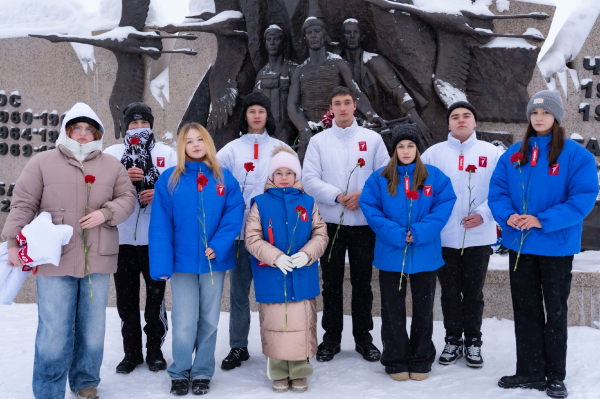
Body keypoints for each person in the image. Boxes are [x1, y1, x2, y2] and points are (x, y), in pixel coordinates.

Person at [2, 102, 136, 399]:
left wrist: (107, 213)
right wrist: (12, 241)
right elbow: (23, 203)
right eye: (77, 128)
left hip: (97, 258)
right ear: (66, 129)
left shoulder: (111, 166)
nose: (84, 134)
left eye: (90, 130)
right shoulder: (41, 162)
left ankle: (85, 380)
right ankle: (49, 389)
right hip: (54, 258)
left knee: (93, 327)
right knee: (54, 331)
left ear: (97, 133)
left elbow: (128, 198)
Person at [489, 90, 599, 399]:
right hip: (521, 246)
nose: (539, 118)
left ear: (556, 117)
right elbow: (497, 190)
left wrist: (542, 219)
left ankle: (555, 376)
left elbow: (582, 198)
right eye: (535, 113)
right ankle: (529, 371)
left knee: (555, 312)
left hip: (556, 246)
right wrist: (507, 215)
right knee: (526, 310)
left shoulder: (576, 156)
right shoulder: (513, 153)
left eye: (546, 113)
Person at [149, 123, 244, 396]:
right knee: (184, 319)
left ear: (208, 143)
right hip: (182, 263)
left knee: (210, 320)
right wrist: (162, 264)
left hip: (214, 261)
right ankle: (180, 370)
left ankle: (202, 371)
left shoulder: (224, 178)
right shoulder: (169, 180)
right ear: (182, 147)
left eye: (200, 139)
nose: (195, 145)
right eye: (189, 141)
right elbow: (160, 225)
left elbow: (234, 214)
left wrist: (219, 244)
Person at [360, 123, 456, 382]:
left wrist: (421, 231)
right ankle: (396, 359)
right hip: (392, 254)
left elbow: (444, 204)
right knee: (393, 310)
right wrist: (396, 233)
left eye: (410, 145)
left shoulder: (434, 176)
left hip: (425, 253)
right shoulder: (379, 178)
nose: (405, 150)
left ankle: (421, 359)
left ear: (417, 148)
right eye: (400, 146)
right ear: (394, 150)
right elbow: (370, 207)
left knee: (424, 310)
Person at [302, 86, 390, 362]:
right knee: (331, 284)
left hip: (364, 224)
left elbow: (385, 176)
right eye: (337, 103)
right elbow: (309, 179)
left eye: (347, 102)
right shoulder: (319, 142)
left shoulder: (373, 139)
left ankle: (364, 338)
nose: (342, 108)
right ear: (331, 109)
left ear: (355, 106)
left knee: (363, 284)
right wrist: (338, 196)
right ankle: (331, 339)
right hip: (331, 225)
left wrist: (363, 196)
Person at [421, 101, 501, 368]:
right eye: (455, 117)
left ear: (475, 122)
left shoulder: (491, 153)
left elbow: (501, 192)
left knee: (474, 293)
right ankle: (453, 339)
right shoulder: (433, 154)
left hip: (478, 237)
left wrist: (484, 214)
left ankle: (474, 342)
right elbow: (421, 192)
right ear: (448, 124)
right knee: (450, 293)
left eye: (467, 115)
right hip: (444, 237)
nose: (461, 120)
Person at [244, 145, 328, 393]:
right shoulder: (260, 203)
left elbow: (320, 233)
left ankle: (300, 371)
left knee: (302, 323)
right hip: (272, 275)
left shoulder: (308, 202)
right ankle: (279, 370)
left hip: (303, 274)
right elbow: (252, 238)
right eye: (278, 172)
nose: (283, 177)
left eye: (288, 172)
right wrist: (275, 257)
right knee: (276, 323)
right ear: (270, 176)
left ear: (296, 176)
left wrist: (307, 254)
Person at [216, 93, 291, 371]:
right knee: (238, 293)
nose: (257, 116)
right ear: (245, 116)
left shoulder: (281, 148)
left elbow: (292, 189)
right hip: (239, 235)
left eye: (261, 111)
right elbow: (217, 187)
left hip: (271, 237)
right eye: (252, 111)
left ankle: (277, 347)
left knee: (272, 292)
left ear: (267, 115)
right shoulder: (230, 150)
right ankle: (238, 346)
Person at [104, 102, 177, 374]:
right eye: (133, 123)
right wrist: (122, 179)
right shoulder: (111, 153)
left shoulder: (167, 153)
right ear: (125, 126)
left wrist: (159, 193)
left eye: (143, 123)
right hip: (121, 239)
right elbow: (99, 193)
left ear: (151, 124)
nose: (138, 128)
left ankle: (155, 350)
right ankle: (131, 352)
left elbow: (178, 190)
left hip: (154, 240)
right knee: (126, 301)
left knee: (155, 301)